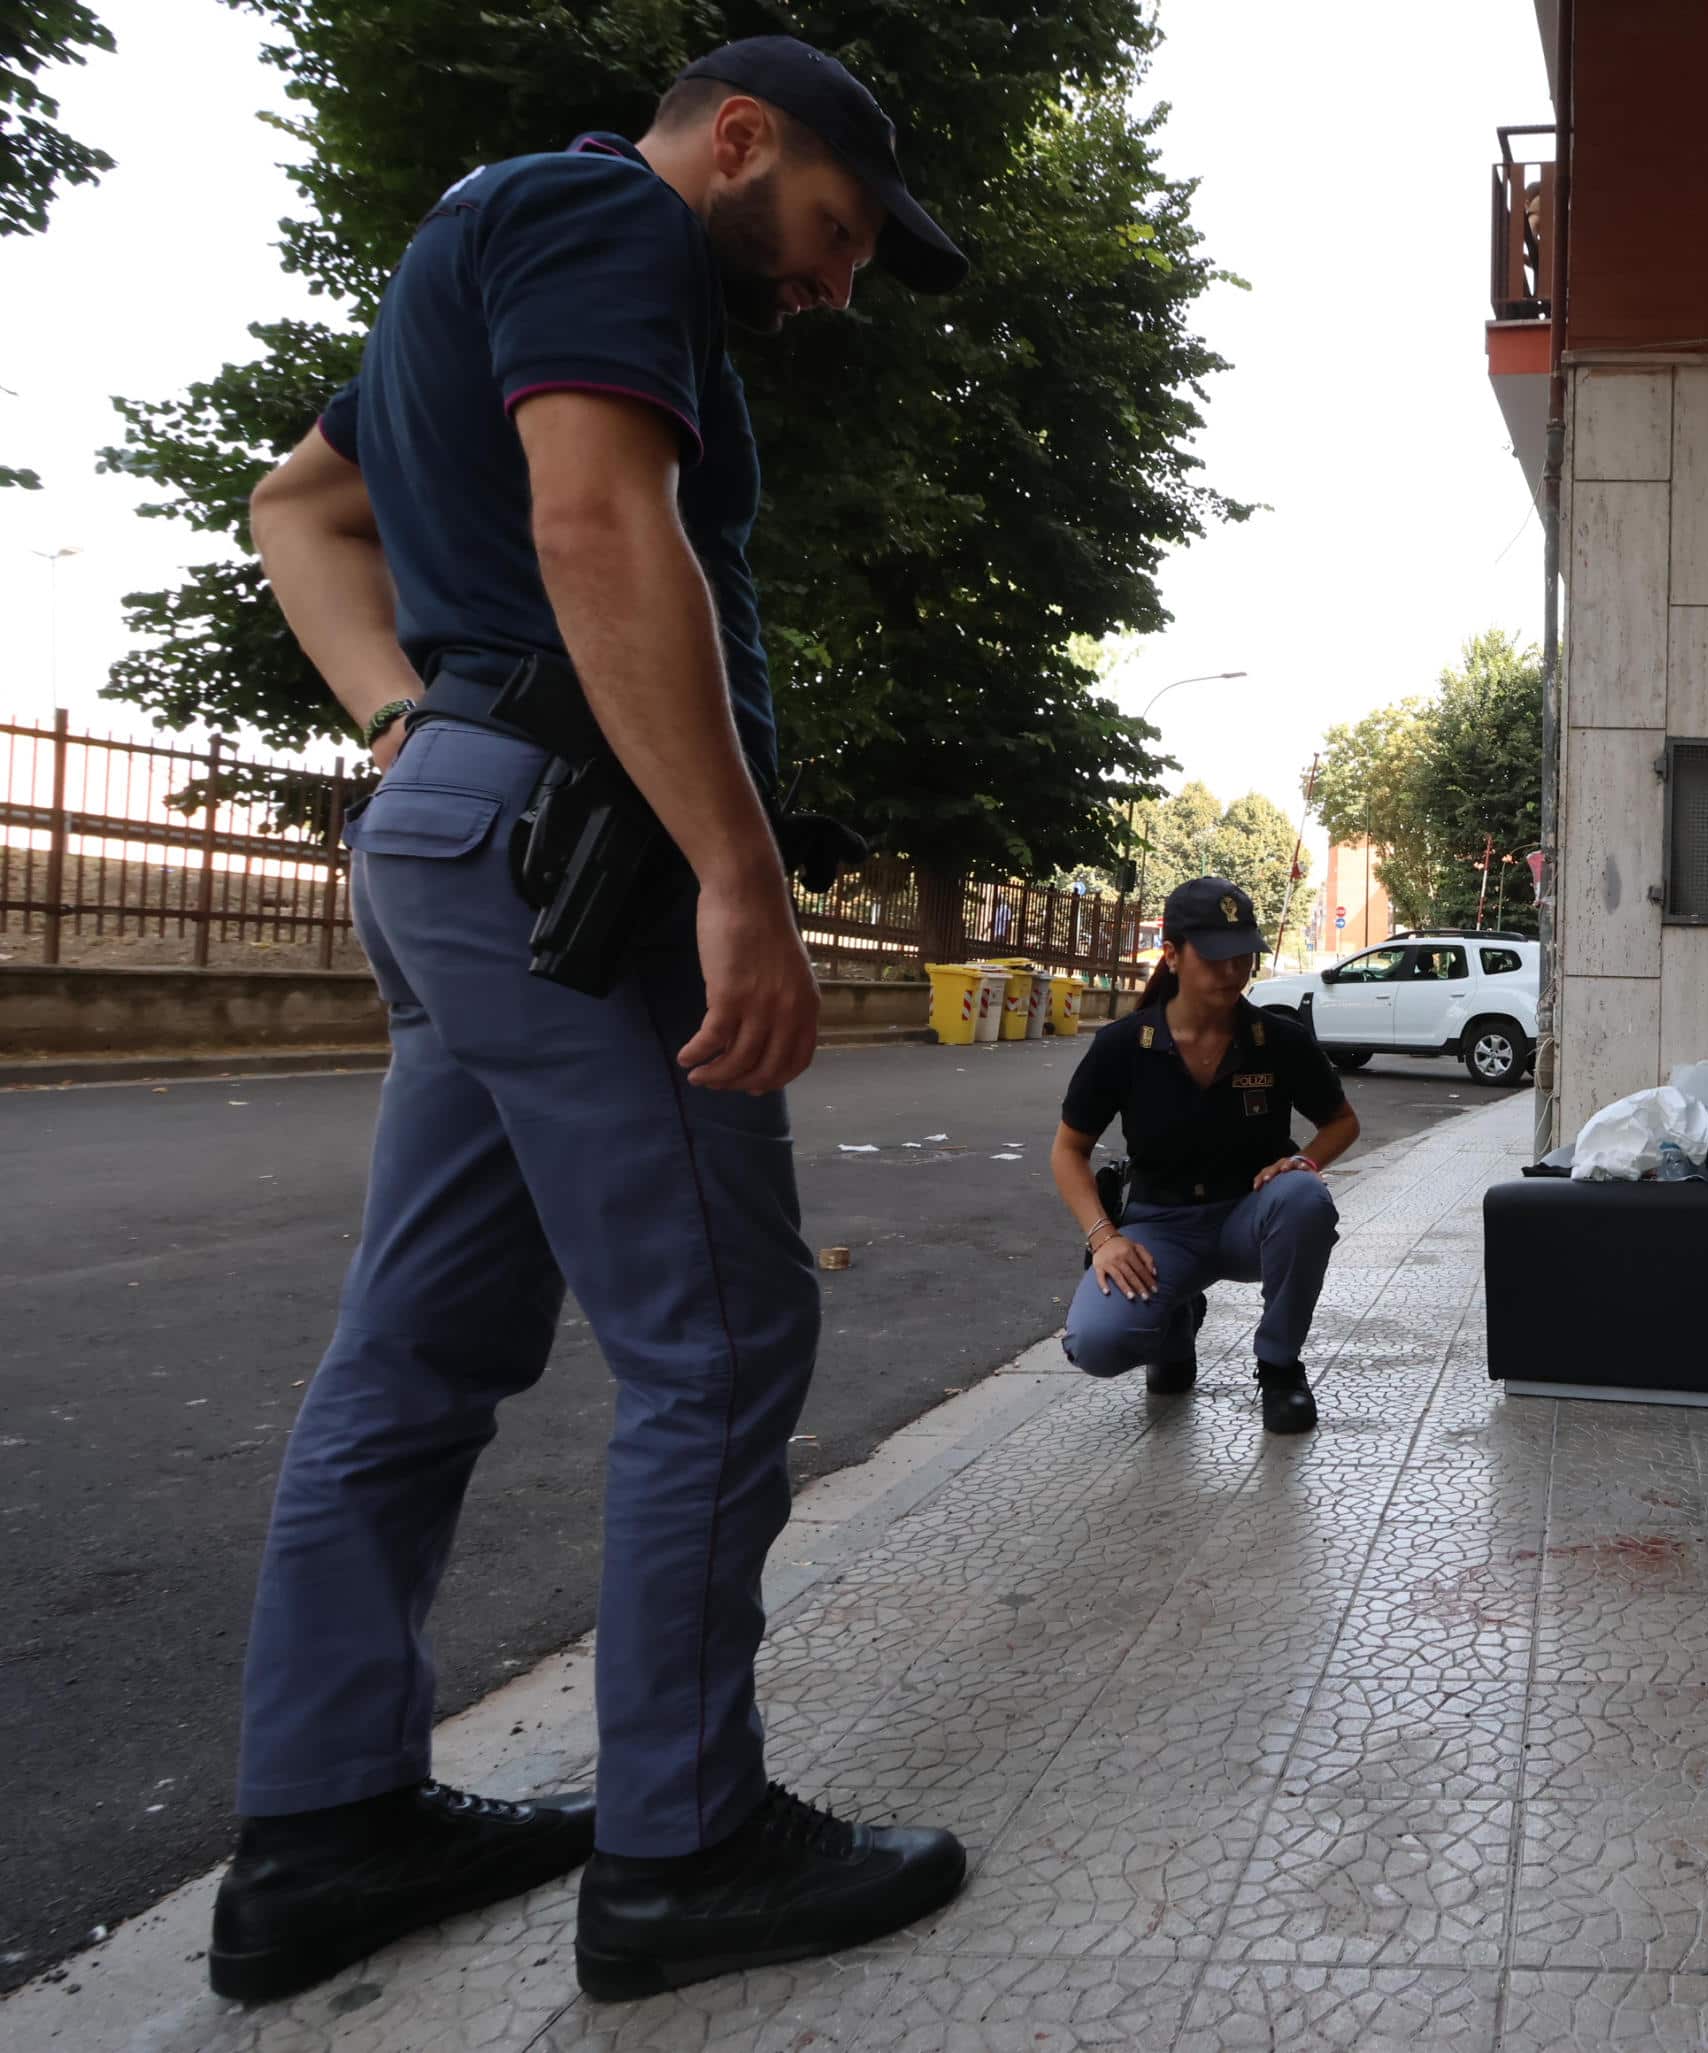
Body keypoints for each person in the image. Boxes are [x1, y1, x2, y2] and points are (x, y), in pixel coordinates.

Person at [220, 36, 970, 2006]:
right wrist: (736, 871)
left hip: (476, 825)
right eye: (832, 230)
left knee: (425, 1343)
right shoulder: (610, 223)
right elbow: (597, 532)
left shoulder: (481, 234)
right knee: (720, 1335)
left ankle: (321, 1829)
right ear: (738, 139)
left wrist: (405, 720)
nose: (831, 282)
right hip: (581, 858)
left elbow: (297, 507)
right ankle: (682, 1848)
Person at [1050, 878, 1360, 1433]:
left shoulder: (1278, 1039)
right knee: (1096, 1345)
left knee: (1304, 1196)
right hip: (1161, 1226)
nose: (1232, 972)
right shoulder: (1125, 1045)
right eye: (1216, 957)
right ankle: (1175, 1320)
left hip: (1251, 1219)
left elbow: (1341, 1123)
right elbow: (1068, 1150)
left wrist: (1305, 1160)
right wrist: (1104, 1237)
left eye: (1244, 957)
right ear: (1171, 955)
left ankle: (1280, 1366)